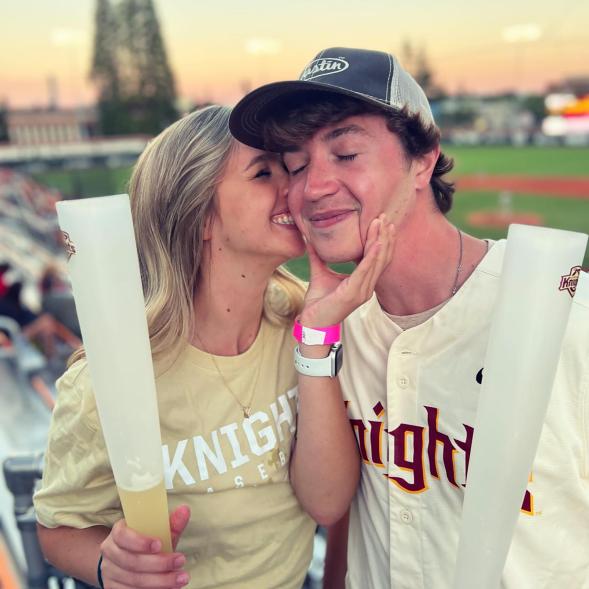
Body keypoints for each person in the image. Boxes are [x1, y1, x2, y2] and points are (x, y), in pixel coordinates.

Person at [229, 47, 589, 588]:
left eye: (346, 153)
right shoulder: (330, 326)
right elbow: (350, 515)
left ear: (422, 160)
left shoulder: (569, 316)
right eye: (296, 166)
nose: (313, 186)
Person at [33, 105, 395, 589]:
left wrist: (317, 335)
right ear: (201, 215)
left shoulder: (303, 322)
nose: (295, 188)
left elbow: (328, 502)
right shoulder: (112, 376)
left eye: (286, 169)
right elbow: (57, 525)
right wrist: (110, 565)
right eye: (263, 172)